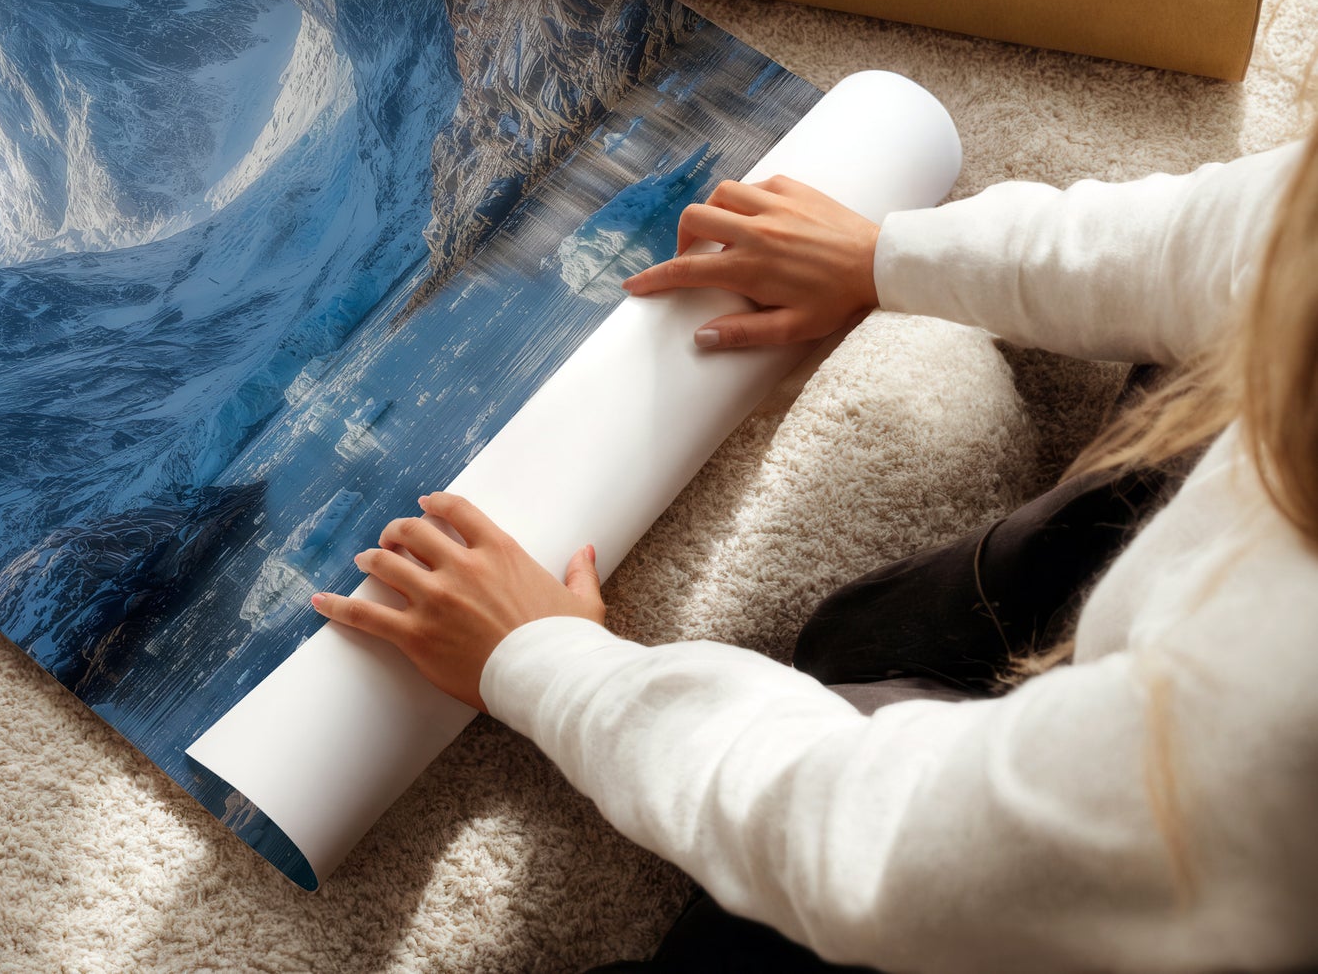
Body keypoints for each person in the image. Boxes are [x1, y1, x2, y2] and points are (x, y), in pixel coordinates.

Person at [310, 132, 1318, 972]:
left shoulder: (1269, 723)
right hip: (1182, 697)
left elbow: (878, 846)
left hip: (1188, 880)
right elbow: (1240, 233)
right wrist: (885, 255)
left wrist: (547, 664)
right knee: (867, 639)